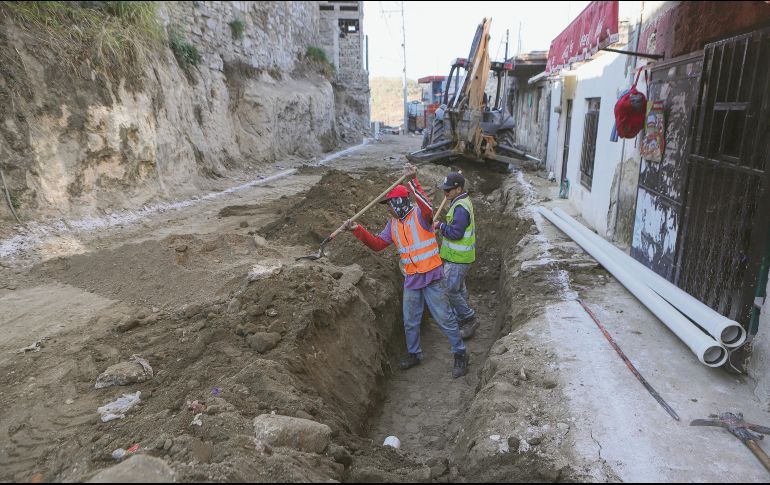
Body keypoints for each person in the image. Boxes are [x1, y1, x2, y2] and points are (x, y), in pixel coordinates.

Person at [342, 164, 469, 378]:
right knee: (410, 320)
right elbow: (378, 244)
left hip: (431, 276)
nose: (389, 209)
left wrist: (413, 181)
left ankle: (460, 353)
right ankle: (414, 354)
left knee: (445, 318)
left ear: (399, 202)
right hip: (411, 277)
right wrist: (358, 230)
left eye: (390, 204)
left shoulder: (421, 215)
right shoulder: (392, 224)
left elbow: (428, 207)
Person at [433, 172, 478, 339]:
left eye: (448, 190)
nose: (445, 193)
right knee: (459, 289)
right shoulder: (460, 202)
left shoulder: (460, 207)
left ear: (458, 189)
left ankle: (469, 318)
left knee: (450, 290)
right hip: (461, 257)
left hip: (458, 258)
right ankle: (462, 319)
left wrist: (440, 226)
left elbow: (457, 233)